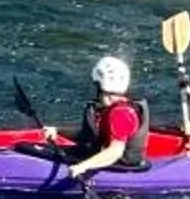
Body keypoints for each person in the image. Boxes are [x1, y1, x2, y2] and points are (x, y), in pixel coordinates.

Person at [21, 55, 149, 179]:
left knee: (37, 151)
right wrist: (58, 131)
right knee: (29, 147)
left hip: (120, 166)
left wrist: (82, 167)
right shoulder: (110, 109)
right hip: (105, 158)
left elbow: (115, 152)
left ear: (100, 86)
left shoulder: (121, 114)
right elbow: (87, 137)